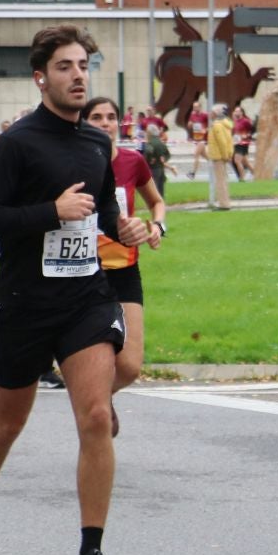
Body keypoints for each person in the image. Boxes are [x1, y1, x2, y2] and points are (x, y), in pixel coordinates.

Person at [0, 25, 152, 555]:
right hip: (23, 303)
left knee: (95, 416)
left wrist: (127, 227)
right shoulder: (16, 143)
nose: (78, 75)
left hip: (84, 297)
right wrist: (51, 211)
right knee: (8, 421)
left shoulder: (95, 143)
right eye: (65, 66)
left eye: (84, 65)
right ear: (42, 77)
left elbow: (105, 212)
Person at [81, 97, 167, 422]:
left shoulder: (133, 161)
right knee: (97, 356)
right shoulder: (74, 165)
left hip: (125, 270)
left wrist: (157, 226)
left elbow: (156, 202)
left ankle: (98, 401)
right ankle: (95, 413)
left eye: (111, 117)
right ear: (84, 123)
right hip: (85, 273)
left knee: (129, 366)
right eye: (97, 117)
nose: (105, 123)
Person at [205, 103, 235, 210]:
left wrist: (225, 155)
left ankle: (224, 204)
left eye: (212, 112)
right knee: (223, 180)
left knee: (220, 181)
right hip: (222, 155)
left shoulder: (217, 125)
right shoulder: (225, 124)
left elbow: (221, 142)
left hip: (219, 156)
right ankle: (225, 202)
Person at [141, 119, 171, 195]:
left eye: (147, 132)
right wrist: (164, 159)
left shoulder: (150, 143)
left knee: (154, 192)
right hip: (161, 169)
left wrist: (149, 160)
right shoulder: (161, 142)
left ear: (150, 133)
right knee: (161, 191)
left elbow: (147, 153)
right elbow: (168, 154)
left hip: (153, 169)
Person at [231, 103, 255, 181]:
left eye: (238, 111)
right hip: (237, 142)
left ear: (242, 112)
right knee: (245, 162)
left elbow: (253, 130)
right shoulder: (235, 121)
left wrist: (247, 135)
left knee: (237, 161)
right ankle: (256, 174)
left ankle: (242, 178)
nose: (236, 113)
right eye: (235, 111)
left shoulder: (245, 121)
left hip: (243, 143)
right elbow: (234, 131)